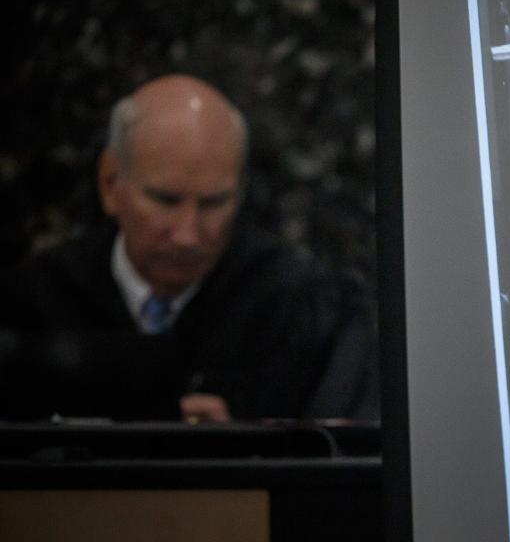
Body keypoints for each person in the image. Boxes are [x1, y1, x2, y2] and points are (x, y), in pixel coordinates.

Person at [0, 75, 372, 423]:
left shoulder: (299, 307)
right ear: (110, 184)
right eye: (165, 200)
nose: (187, 235)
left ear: (240, 194)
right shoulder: (34, 301)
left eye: (214, 203)